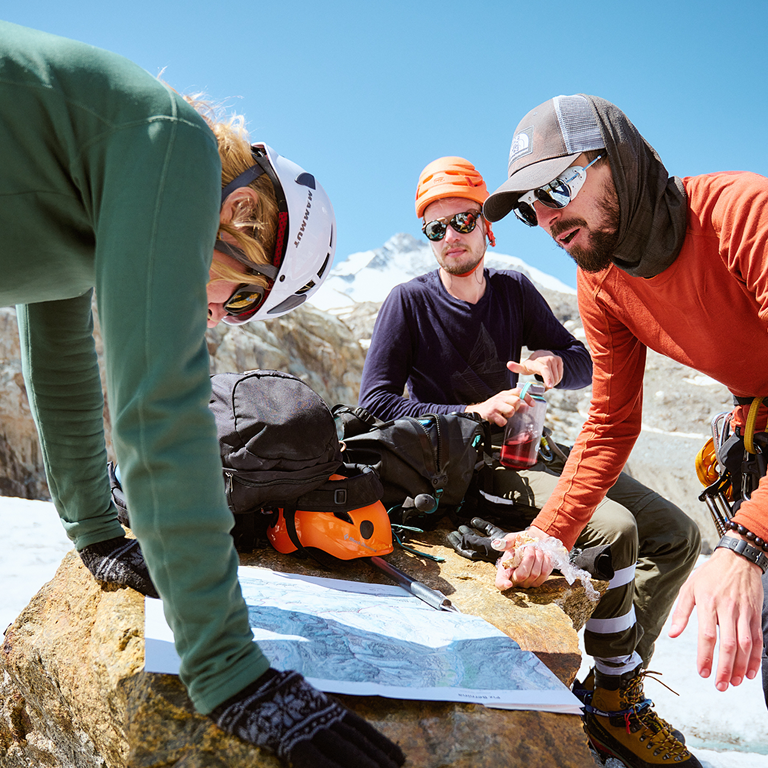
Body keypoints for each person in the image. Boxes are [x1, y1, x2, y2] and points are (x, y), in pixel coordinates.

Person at [1, 21, 404, 768]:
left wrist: (96, 533)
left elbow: (57, 360)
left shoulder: (93, 186)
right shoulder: (173, 143)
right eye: (243, 295)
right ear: (241, 215)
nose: (221, 317)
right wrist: (229, 669)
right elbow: (160, 407)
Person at [359, 156, 700, 766]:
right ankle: (617, 710)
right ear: (427, 238)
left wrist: (554, 364)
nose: (451, 235)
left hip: (536, 449)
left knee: (678, 534)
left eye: (463, 219)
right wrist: (471, 409)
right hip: (471, 466)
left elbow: (584, 361)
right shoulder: (407, 303)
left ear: (486, 225)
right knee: (616, 529)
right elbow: (374, 406)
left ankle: (610, 689)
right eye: (436, 227)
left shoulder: (514, 290)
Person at [483, 92, 768, 767]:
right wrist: (548, 535)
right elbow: (611, 422)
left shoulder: (744, 215)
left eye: (557, 188)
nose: (547, 219)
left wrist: (748, 543)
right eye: (530, 208)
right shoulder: (603, 280)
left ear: (622, 159)